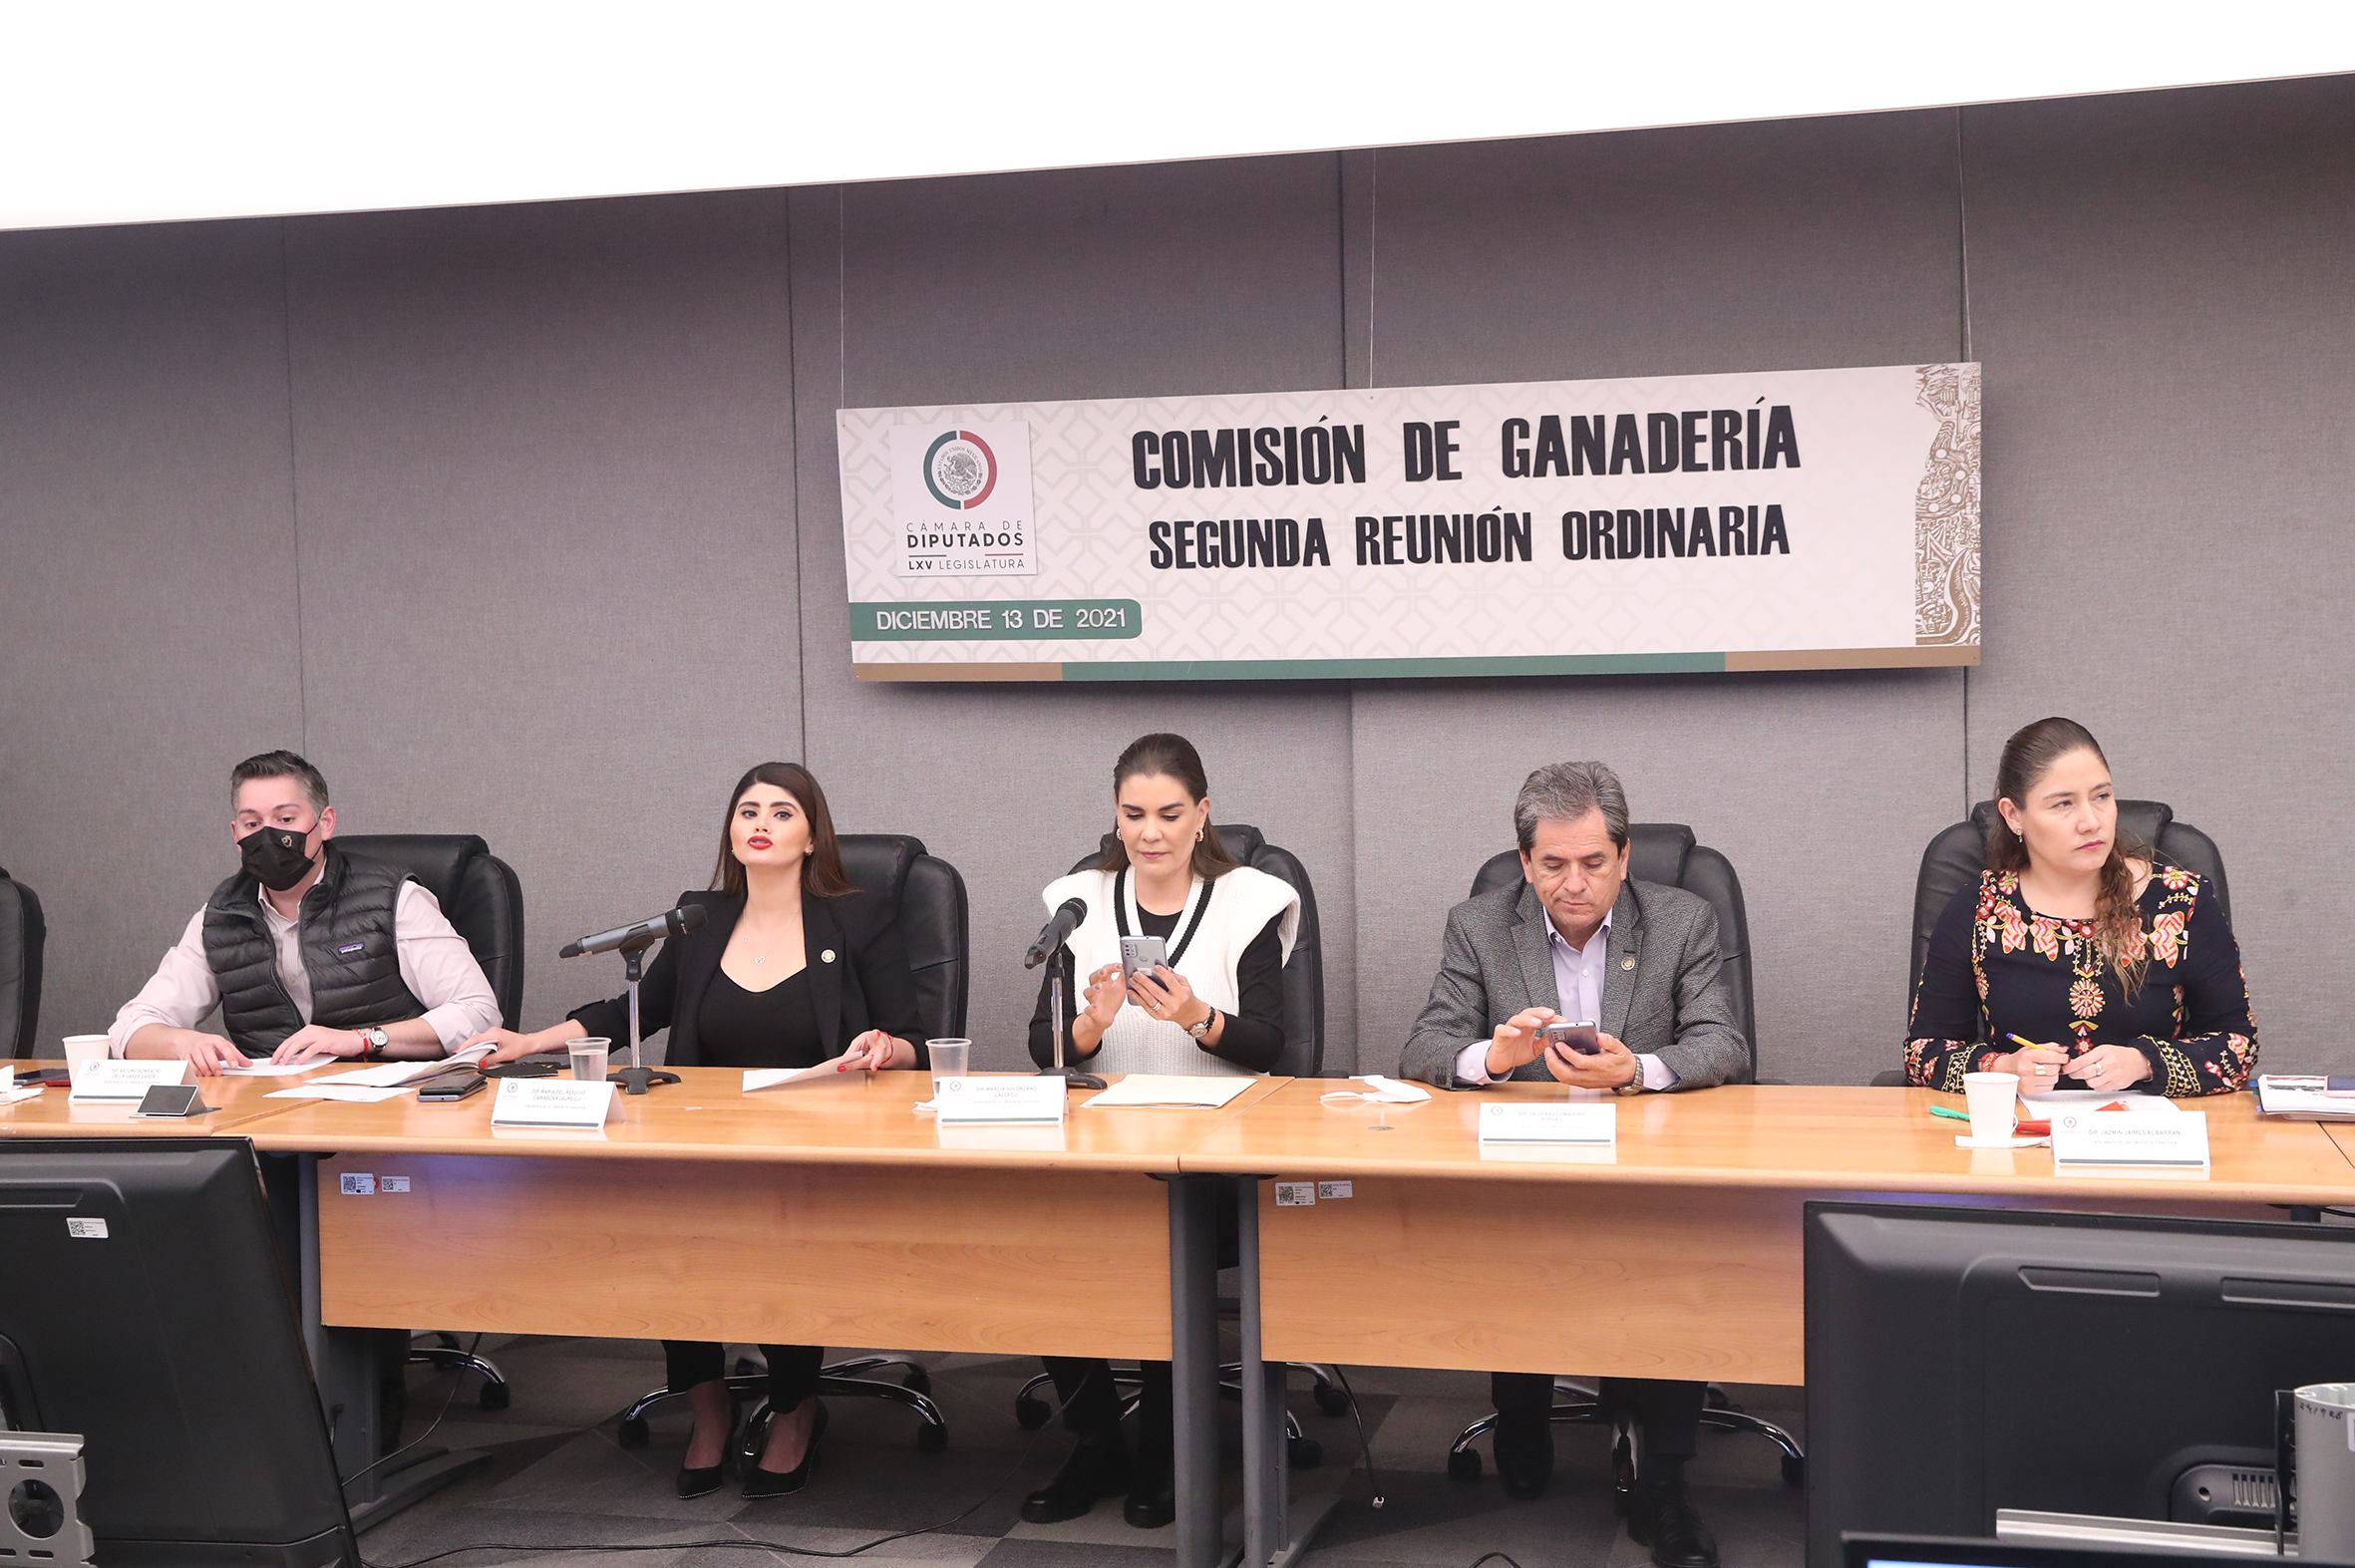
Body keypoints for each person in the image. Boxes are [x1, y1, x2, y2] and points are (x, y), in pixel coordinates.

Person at [466, 762, 922, 1500]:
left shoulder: (859, 920)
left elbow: (916, 1039)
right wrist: (529, 1041)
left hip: (815, 1138)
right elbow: (636, 1011)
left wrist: (883, 1046)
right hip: (705, 1135)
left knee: (777, 1236)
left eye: (782, 812)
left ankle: (796, 1408)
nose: (762, 824)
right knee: (671, 1233)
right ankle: (709, 1406)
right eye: (748, 811)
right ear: (731, 832)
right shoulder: (697, 919)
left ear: (813, 837)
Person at [1398, 761, 1748, 1568]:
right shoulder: (1479, 925)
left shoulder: (1682, 920)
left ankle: (1664, 1483)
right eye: (1553, 864)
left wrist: (1639, 1069)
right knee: (1514, 1239)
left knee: (1679, 1258)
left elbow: (1723, 1042)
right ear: (1525, 863)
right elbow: (1422, 1045)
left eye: (1594, 861)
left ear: (1624, 856)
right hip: (1527, 1172)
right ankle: (1521, 1409)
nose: (1575, 882)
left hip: (1650, 1170)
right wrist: (1493, 1056)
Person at [1020, 733, 1300, 1529]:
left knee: (1166, 1244)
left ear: (1203, 812)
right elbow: (1043, 1049)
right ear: (1115, 815)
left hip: (1214, 1149)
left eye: (1170, 814)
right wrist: (1092, 1022)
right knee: (1035, 1241)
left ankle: (1168, 1449)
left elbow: (1272, 1046)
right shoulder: (1077, 903)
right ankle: (1097, 1438)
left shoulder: (1251, 899)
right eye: (1133, 814)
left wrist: (1197, 1016)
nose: (1150, 833)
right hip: (1104, 1144)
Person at [1906, 717, 2256, 1098]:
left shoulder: (2181, 902)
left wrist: (2144, 1063)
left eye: (2102, 797)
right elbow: (1923, 1053)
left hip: (2150, 1126)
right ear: (2013, 815)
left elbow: (2238, 1046)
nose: (2091, 822)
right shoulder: (1981, 908)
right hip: (2022, 1123)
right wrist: (2002, 1068)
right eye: (2063, 804)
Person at [109, 750, 502, 1073]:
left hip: (391, 1110)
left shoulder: (393, 898)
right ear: (235, 834)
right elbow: (129, 1028)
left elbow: (479, 1013)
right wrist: (182, 1043)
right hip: (270, 1113)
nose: (268, 835)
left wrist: (361, 1040)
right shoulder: (221, 916)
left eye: (285, 819)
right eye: (252, 823)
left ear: (324, 823)